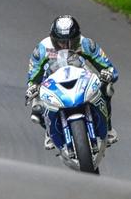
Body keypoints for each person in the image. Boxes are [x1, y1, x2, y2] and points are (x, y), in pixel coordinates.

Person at [25, 15, 119, 150]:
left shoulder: (86, 44)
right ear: (53, 39)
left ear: (78, 37)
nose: (66, 45)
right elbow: (33, 74)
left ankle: (108, 128)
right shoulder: (42, 49)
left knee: (107, 89)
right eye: (61, 42)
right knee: (36, 107)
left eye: (71, 41)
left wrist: (108, 74)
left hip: (81, 78)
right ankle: (49, 132)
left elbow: (108, 67)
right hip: (53, 83)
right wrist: (32, 87)